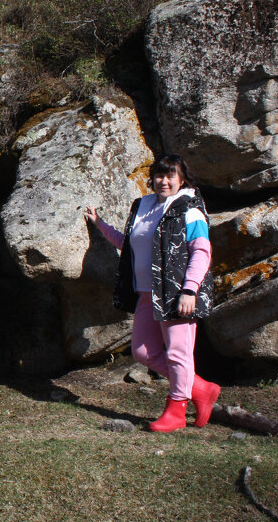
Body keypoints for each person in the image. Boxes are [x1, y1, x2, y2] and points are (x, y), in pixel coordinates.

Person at [83, 154, 221, 432]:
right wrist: (100, 225)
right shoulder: (143, 205)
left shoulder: (189, 207)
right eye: (160, 175)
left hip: (176, 293)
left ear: (182, 179)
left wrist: (189, 289)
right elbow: (130, 245)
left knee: (178, 354)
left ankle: (177, 410)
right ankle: (200, 388)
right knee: (143, 351)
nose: (164, 181)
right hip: (147, 292)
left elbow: (201, 251)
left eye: (171, 176)